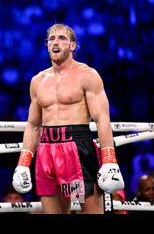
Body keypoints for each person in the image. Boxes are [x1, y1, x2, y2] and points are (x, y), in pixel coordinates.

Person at [12, 23, 124, 214]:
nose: (55, 42)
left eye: (62, 38)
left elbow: (102, 119)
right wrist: (23, 163)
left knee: (91, 211)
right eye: (51, 39)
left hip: (76, 149)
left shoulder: (87, 75)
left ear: (73, 45)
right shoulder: (38, 81)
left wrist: (110, 161)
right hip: (47, 152)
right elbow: (33, 125)